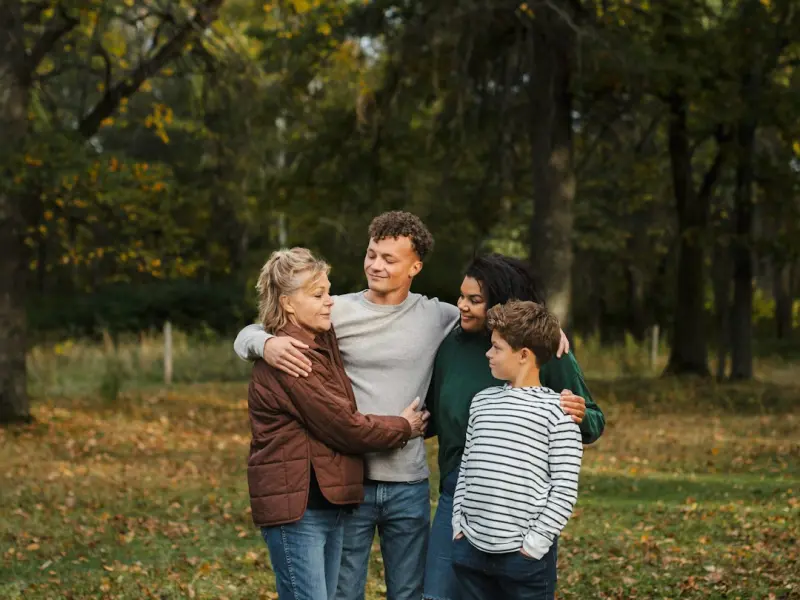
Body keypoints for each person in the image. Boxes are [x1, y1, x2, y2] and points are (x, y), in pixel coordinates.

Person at [234, 212, 574, 600]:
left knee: (409, 593)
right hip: (350, 481)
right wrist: (263, 343)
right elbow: (266, 322)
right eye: (372, 254)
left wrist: (549, 330)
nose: (376, 265)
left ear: (415, 266)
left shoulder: (439, 316)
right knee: (343, 592)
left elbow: (495, 316)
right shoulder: (333, 312)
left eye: (389, 259)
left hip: (409, 484)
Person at [247, 247, 429, 600]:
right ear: (287, 303)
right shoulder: (291, 358)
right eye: (318, 295)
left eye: (328, 291)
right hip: (298, 511)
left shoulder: (318, 340)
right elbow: (344, 426)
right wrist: (404, 427)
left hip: (323, 503)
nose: (330, 302)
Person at [423, 254, 604, 600]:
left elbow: (593, 421)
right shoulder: (452, 345)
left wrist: (580, 413)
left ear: (501, 304)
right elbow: (434, 414)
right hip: (458, 492)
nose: (462, 305)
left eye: (474, 300)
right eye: (461, 296)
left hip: (518, 504)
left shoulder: (542, 350)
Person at [451, 300, 583, 600]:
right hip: (471, 550)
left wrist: (534, 545)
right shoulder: (482, 402)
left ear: (524, 355)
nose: (488, 353)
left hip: (523, 560)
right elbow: (467, 467)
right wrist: (459, 525)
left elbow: (564, 488)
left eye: (496, 348)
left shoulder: (559, 411)